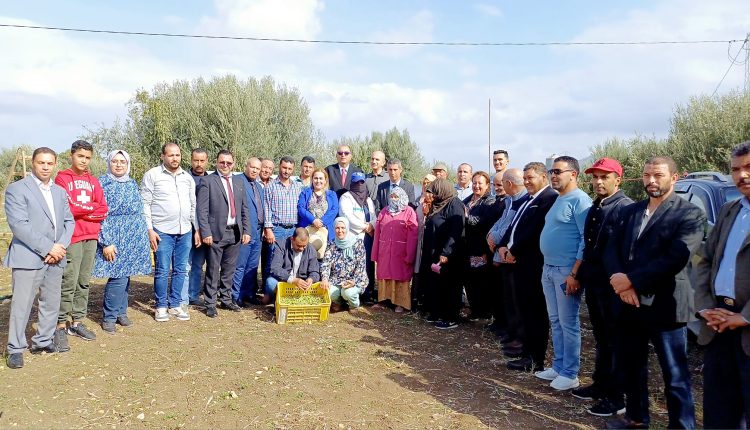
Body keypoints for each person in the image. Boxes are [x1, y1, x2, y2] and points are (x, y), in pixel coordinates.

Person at [604, 156, 704, 430]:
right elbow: (612, 248)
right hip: (629, 303)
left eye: (658, 175)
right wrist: (619, 281)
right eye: (647, 175)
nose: (651, 180)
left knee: (675, 375)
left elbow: (675, 258)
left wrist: (631, 282)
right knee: (632, 366)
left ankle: (682, 426)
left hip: (666, 305)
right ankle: (636, 418)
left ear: (674, 178)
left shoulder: (689, 213)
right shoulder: (630, 211)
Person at [694, 141, 750, 430]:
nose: (742, 176)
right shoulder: (730, 210)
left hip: (746, 326)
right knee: (719, 411)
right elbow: (705, 260)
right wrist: (705, 307)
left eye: (748, 168)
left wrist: (745, 316)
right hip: (718, 326)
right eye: (736, 169)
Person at [4, 147, 74, 369]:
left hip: (56, 256)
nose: (45, 167)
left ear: (55, 164)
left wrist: (60, 246)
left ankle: (43, 341)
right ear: (33, 163)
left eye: (49, 163)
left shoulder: (59, 192)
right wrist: (48, 248)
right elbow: (19, 225)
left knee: (51, 302)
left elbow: (69, 221)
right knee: (22, 304)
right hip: (29, 256)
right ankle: (15, 348)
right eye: (41, 162)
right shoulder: (17, 189)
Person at [573, 158, 632, 417]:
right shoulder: (597, 205)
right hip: (596, 284)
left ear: (617, 179)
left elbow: (625, 250)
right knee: (602, 338)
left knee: (616, 340)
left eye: (604, 177)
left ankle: (617, 397)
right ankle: (601, 384)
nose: (598, 182)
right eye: (595, 177)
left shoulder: (624, 207)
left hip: (613, 287)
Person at [536, 156, 592, 391]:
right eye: (552, 171)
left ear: (574, 174)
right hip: (549, 268)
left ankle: (570, 372)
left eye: (558, 171)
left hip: (566, 271)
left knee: (568, 323)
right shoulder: (560, 199)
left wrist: (575, 273)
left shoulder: (580, 200)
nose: (553, 175)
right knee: (555, 320)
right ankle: (558, 366)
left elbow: (585, 239)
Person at [498, 162, 558, 372]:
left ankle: (534, 358)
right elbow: (514, 226)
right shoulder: (529, 199)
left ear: (543, 177)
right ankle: (525, 351)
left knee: (535, 312)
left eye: (530, 178)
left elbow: (534, 231)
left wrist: (514, 250)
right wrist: (503, 245)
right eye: (524, 178)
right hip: (518, 263)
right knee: (524, 308)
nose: (526, 182)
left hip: (532, 264)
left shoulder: (549, 199)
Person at [54, 139, 108, 349]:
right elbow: (67, 207)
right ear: (72, 155)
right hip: (72, 237)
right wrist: (90, 209)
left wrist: (85, 211)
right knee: (69, 280)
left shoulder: (93, 181)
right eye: (80, 156)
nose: (84, 161)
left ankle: (77, 321)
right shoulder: (62, 178)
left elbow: (103, 208)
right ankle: (60, 325)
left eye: (88, 157)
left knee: (84, 281)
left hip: (91, 237)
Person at [92, 150, 152, 334]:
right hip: (114, 235)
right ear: (109, 163)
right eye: (115, 161)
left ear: (128, 164)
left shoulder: (131, 182)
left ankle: (121, 312)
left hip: (132, 236)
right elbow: (99, 213)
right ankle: (109, 317)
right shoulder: (102, 183)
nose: (119, 165)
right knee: (117, 276)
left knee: (126, 276)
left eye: (122, 162)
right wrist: (106, 241)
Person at [141, 142, 196, 322]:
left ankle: (175, 304)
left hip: (185, 230)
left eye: (177, 155)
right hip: (162, 231)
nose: (174, 158)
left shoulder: (187, 178)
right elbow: (145, 204)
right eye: (171, 155)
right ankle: (161, 306)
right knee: (163, 270)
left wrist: (196, 229)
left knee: (181, 270)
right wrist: (149, 229)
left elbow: (193, 205)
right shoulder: (153, 175)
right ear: (162, 156)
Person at [197, 150, 251, 318]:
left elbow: (244, 208)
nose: (225, 165)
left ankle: (226, 299)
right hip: (215, 234)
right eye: (222, 162)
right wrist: (205, 232)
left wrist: (247, 230)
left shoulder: (239, 181)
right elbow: (202, 210)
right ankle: (210, 303)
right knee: (213, 270)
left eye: (228, 162)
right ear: (216, 162)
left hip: (235, 232)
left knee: (229, 270)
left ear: (233, 164)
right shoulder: (207, 181)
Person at [486, 168, 527, 349]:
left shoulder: (524, 201)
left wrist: (495, 238)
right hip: (500, 251)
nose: (499, 187)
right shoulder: (510, 200)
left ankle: (517, 335)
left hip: (513, 256)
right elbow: (501, 222)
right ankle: (509, 330)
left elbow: (511, 227)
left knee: (515, 299)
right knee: (505, 296)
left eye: (501, 183)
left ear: (508, 184)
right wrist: (490, 235)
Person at [420, 178, 466, 329]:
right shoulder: (438, 204)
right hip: (435, 252)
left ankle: (451, 317)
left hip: (449, 255)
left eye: (434, 192)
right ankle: (437, 312)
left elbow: (456, 231)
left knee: (450, 285)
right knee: (438, 284)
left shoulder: (455, 204)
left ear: (442, 191)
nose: (432, 196)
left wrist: (446, 252)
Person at [372, 187, 419, 313]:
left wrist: (410, 254)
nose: (393, 199)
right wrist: (375, 253)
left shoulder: (409, 212)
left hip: (401, 252)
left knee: (400, 276)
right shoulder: (384, 211)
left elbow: (413, 235)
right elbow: (377, 233)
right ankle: (384, 300)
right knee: (384, 275)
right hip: (385, 252)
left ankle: (400, 303)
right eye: (391, 196)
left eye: (396, 196)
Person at [463, 171, 502, 321]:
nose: (476, 186)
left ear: (487, 186)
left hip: (481, 247)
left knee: (481, 280)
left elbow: (482, 222)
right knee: (469, 279)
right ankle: (475, 310)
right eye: (474, 183)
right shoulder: (467, 200)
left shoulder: (489, 202)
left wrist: (467, 216)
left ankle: (484, 312)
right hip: (467, 247)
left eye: (480, 183)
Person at [338, 171, 377, 302]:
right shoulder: (346, 197)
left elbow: (374, 217)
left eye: (361, 182)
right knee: (353, 266)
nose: (359, 185)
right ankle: (351, 295)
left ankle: (367, 293)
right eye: (356, 182)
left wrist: (371, 225)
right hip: (354, 236)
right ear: (352, 183)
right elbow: (347, 216)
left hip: (368, 237)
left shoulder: (368, 199)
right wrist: (365, 227)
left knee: (367, 265)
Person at [233, 157, 265, 307]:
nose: (255, 171)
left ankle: (249, 293)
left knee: (252, 265)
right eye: (252, 167)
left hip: (258, 231)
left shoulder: (259, 186)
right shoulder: (237, 181)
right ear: (246, 166)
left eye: (257, 169)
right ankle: (236, 295)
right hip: (245, 230)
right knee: (240, 265)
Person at [321, 218, 368, 311]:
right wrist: (325, 279)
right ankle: (339, 302)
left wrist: (354, 281)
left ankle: (353, 305)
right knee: (328, 292)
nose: (340, 231)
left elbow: (361, 265)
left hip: (354, 280)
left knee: (348, 293)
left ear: (347, 228)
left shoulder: (357, 243)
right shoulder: (331, 244)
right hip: (336, 279)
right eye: (337, 228)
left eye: (343, 228)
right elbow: (326, 264)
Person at [264, 228, 320, 304]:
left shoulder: (311, 249)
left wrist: (311, 279)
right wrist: (292, 280)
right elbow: (275, 268)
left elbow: (315, 271)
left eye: (304, 246)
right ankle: (273, 297)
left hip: (301, 284)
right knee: (271, 283)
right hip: (284, 281)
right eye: (298, 245)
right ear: (292, 239)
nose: (301, 249)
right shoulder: (281, 245)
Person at [297, 168, 339, 258]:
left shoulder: (331, 194)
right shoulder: (305, 193)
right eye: (316, 178)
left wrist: (321, 222)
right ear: (312, 179)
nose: (318, 181)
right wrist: (313, 220)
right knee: (307, 257)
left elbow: (334, 210)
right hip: (308, 229)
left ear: (325, 180)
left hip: (326, 230)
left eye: (321, 178)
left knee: (324, 258)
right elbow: (301, 208)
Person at [263, 156, 303, 250]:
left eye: (289, 169)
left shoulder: (297, 187)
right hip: (277, 230)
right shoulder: (270, 186)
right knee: (274, 258)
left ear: (293, 169)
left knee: (290, 257)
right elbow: (266, 208)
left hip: (293, 230)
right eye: (284, 168)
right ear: (279, 167)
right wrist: (268, 230)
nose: (286, 171)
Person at [186, 148, 208, 308]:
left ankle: (193, 295)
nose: (199, 164)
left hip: (205, 230)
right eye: (196, 160)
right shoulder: (185, 178)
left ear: (207, 161)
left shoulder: (212, 179)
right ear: (191, 160)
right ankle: (181, 296)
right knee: (185, 264)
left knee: (198, 264)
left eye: (202, 160)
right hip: (188, 229)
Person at [413, 173, 437, 311]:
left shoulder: (437, 203)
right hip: (418, 239)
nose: (426, 185)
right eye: (424, 182)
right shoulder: (418, 201)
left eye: (429, 183)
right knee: (417, 268)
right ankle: (416, 298)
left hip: (430, 242)